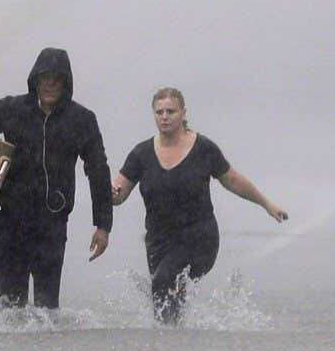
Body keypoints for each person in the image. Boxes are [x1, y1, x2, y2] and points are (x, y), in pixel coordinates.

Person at [0, 48, 112, 309]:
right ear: (35, 80)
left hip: (52, 223)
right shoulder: (12, 109)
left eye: (57, 78)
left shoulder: (82, 120)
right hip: (7, 220)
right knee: (10, 308)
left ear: (66, 82)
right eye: (45, 78)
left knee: (47, 309)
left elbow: (98, 170)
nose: (50, 84)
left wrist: (103, 225)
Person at [112, 87, 287, 324]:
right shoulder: (141, 153)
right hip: (159, 241)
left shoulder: (203, 149)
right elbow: (119, 192)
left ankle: (168, 341)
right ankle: (179, 342)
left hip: (199, 237)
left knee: (164, 282)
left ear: (183, 113)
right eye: (159, 112)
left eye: (171, 111)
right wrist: (110, 194)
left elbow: (233, 180)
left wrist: (267, 204)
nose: (164, 116)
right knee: (165, 293)